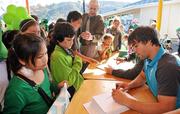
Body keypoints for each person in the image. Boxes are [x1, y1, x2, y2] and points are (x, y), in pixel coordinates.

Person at [112, 26, 180, 113]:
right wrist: (129, 85)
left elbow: (166, 108)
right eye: (133, 47)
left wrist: (127, 101)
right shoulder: (149, 58)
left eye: (136, 46)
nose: (134, 51)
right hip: (154, 100)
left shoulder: (167, 66)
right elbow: (142, 77)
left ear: (149, 42)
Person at [3, 33, 65, 114]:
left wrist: (58, 87)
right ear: (22, 60)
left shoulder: (42, 69)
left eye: (46, 53)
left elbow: (48, 87)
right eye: (39, 57)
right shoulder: (16, 90)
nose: (45, 59)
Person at [50, 22, 84, 93]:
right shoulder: (57, 56)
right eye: (68, 40)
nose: (72, 42)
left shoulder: (65, 49)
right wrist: (78, 63)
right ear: (59, 39)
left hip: (76, 87)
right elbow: (68, 82)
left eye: (73, 39)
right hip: (70, 92)